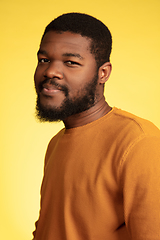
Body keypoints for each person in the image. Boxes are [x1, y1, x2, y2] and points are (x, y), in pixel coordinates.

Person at [32, 12, 160, 240]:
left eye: (71, 62)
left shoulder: (139, 142)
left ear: (103, 73)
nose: (50, 71)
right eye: (44, 60)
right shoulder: (56, 143)